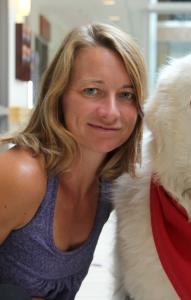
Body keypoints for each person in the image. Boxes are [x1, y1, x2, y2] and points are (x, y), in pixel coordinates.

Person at [0, 23, 147, 300]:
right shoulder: (21, 175)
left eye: (126, 95)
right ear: (59, 95)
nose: (111, 112)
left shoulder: (110, 187)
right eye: (92, 91)